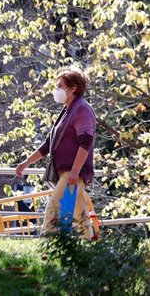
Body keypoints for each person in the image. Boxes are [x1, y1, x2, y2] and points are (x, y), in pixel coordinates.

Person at [16, 67, 99, 239]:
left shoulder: (81, 109)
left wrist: (75, 172)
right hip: (67, 173)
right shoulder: (67, 111)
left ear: (73, 88)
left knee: (55, 205)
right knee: (79, 212)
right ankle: (90, 245)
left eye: (60, 86)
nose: (56, 90)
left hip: (72, 172)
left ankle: (49, 243)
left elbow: (86, 141)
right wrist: (26, 163)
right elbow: (48, 144)